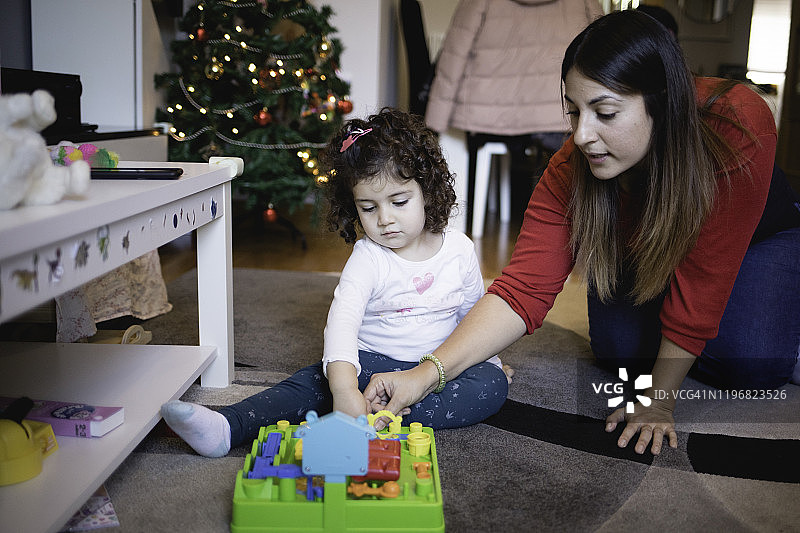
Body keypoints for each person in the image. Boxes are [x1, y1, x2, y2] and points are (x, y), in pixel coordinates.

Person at [364, 11, 800, 455]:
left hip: (755, 242)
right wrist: (425, 374)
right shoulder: (571, 165)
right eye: (574, 111)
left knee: (752, 365)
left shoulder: (736, 120)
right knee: (618, 354)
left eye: (605, 112)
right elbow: (522, 288)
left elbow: (706, 277)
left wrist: (658, 400)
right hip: (650, 247)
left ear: (662, 102)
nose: (582, 134)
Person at [161, 108, 509, 457]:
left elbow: (474, 319)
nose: (385, 220)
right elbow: (341, 325)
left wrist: (489, 362)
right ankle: (226, 426)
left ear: (428, 191)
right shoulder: (368, 257)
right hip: (371, 365)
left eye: (399, 202)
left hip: (434, 371)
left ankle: (374, 415)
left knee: (492, 386)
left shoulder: (460, 250)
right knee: (318, 380)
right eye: (369, 208)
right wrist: (345, 391)